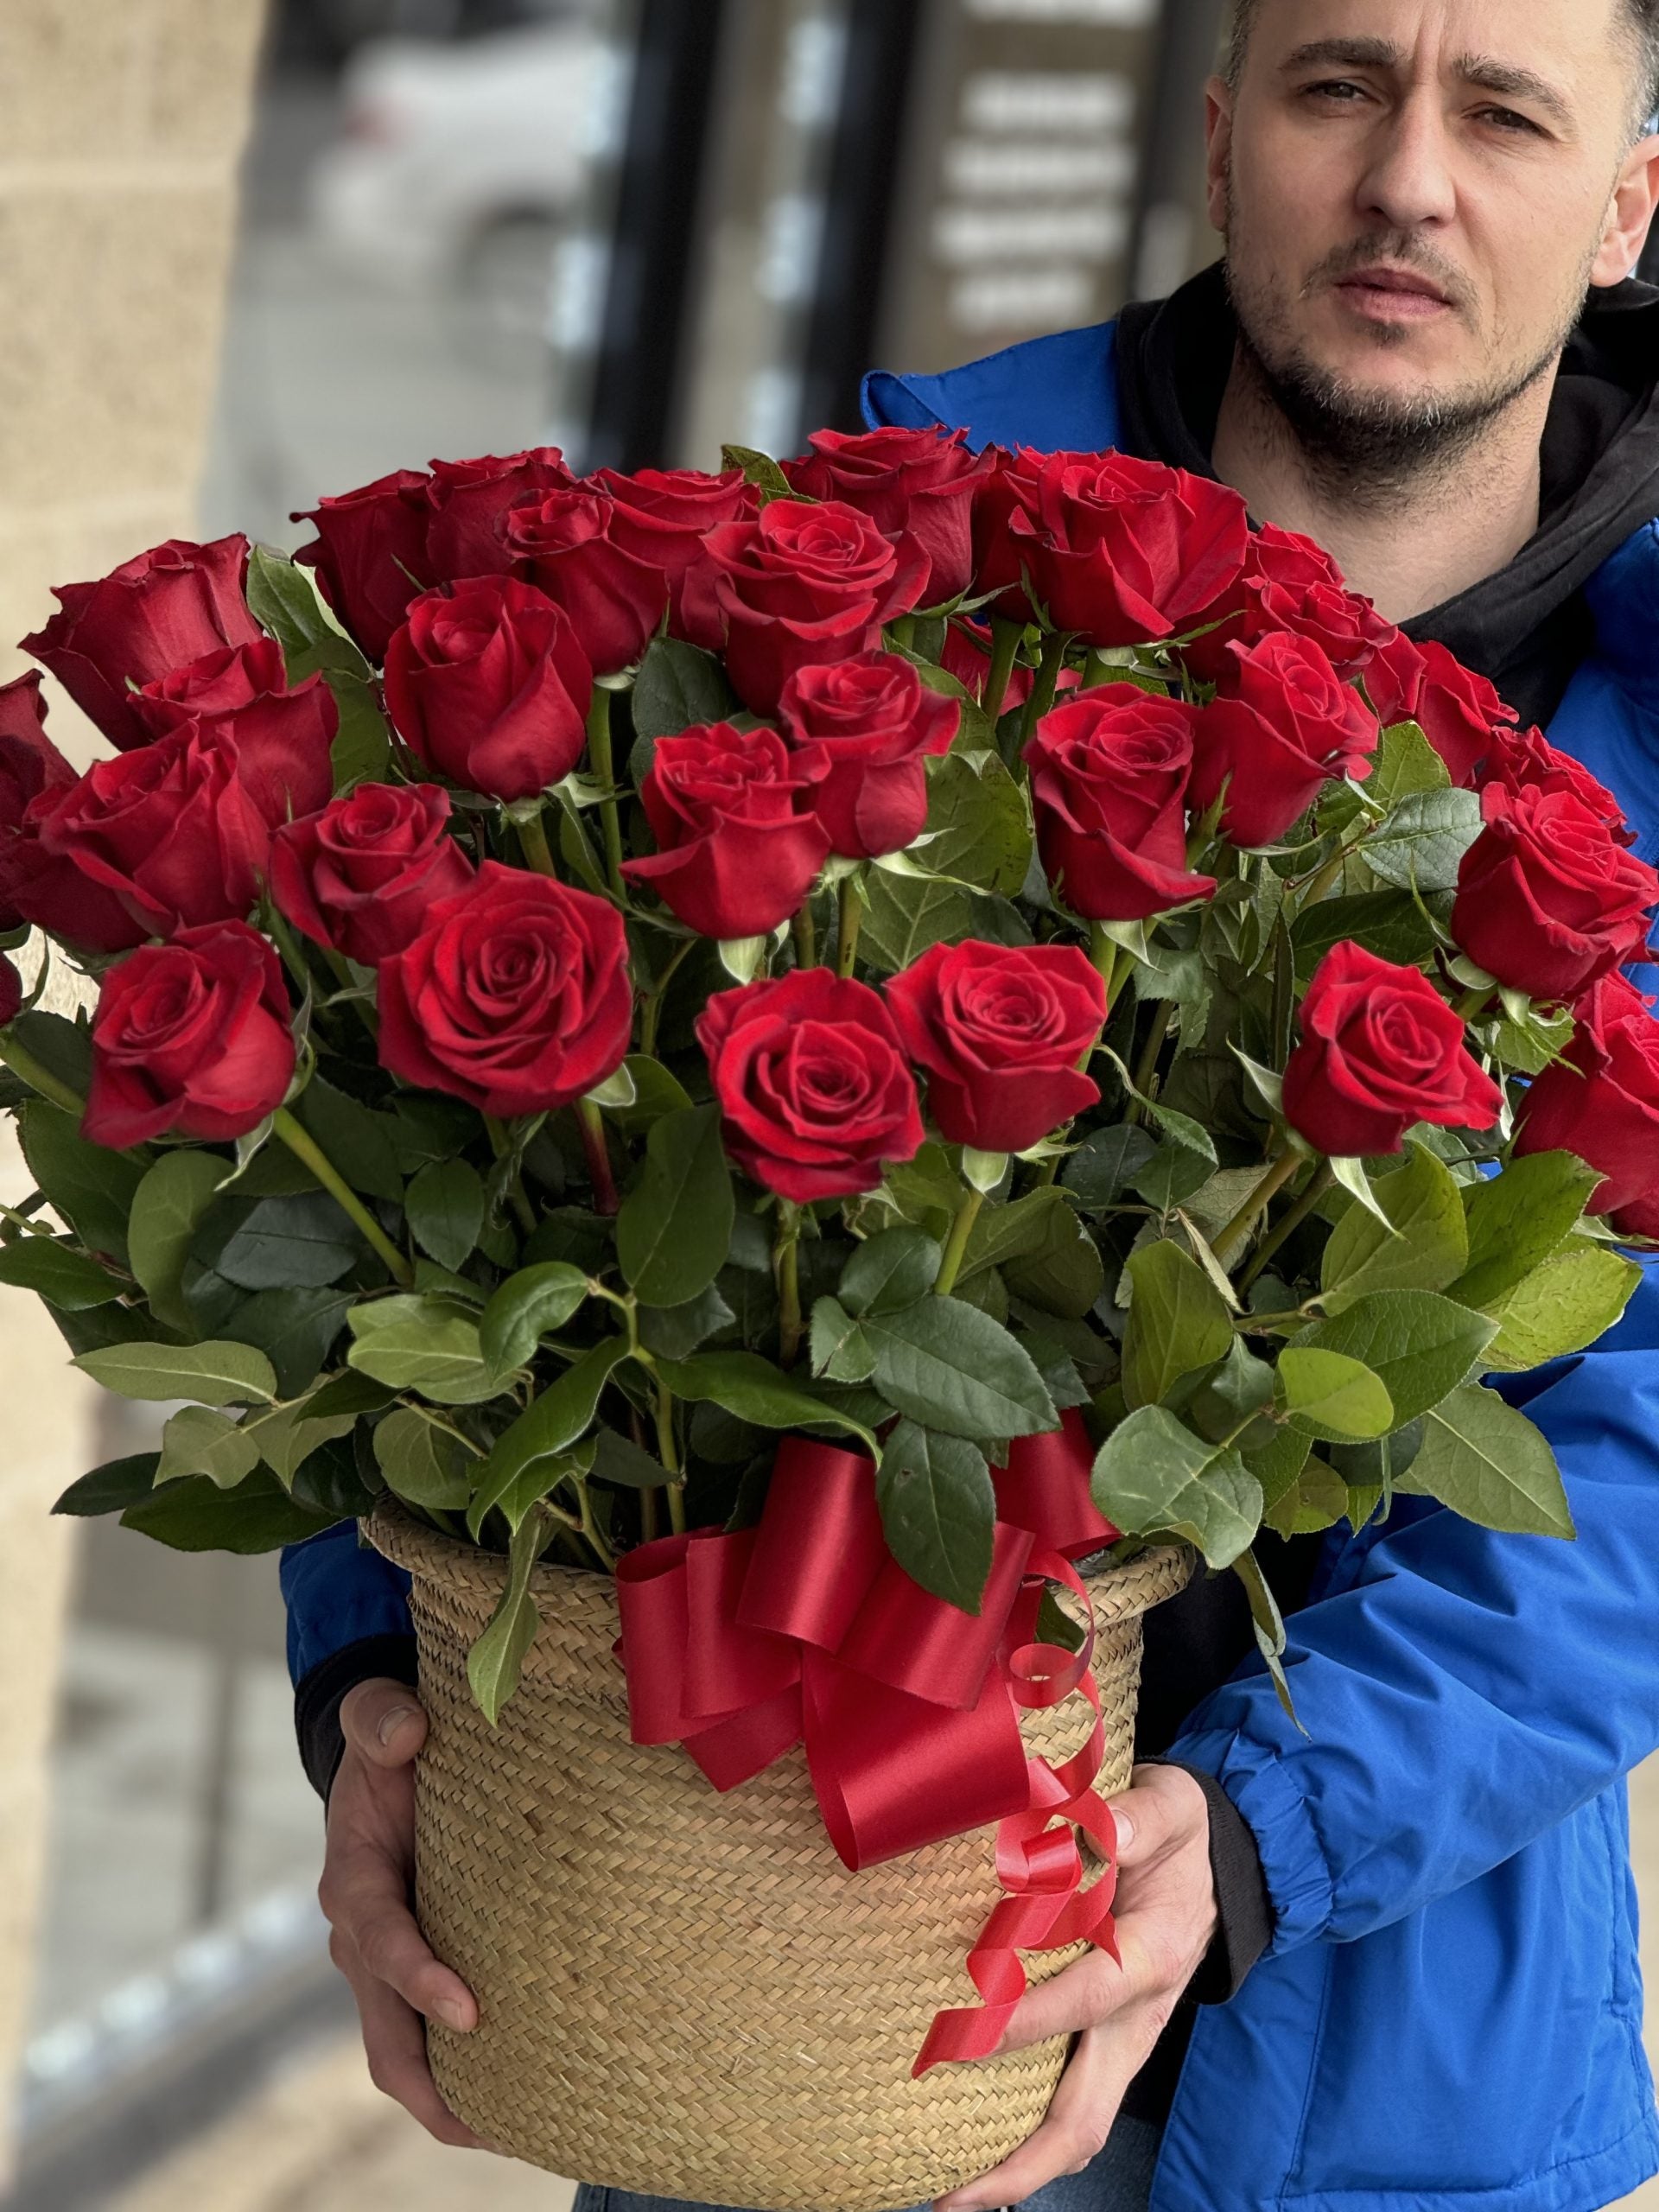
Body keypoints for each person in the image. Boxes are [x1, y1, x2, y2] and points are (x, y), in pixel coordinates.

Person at [283, 3, 1659, 2207]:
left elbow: (1643, 1460)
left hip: (1379, 2053)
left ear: (1627, 202)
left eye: (1504, 111)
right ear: (1219, 143)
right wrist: (378, 1690)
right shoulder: (877, 569)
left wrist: (1266, 1829)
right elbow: (463, 1168)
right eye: (1337, 87)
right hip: (781, 2000)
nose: (1410, 176)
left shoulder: (1644, 724)